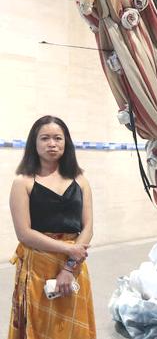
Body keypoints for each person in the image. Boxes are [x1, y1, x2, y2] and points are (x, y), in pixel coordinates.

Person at [8, 115, 96, 339]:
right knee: (40, 327)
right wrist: (69, 249)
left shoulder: (80, 180)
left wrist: (69, 267)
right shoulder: (23, 182)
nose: (52, 143)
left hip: (74, 263)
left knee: (74, 326)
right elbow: (24, 233)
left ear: (66, 142)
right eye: (45, 138)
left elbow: (88, 227)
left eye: (58, 138)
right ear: (34, 144)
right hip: (38, 265)